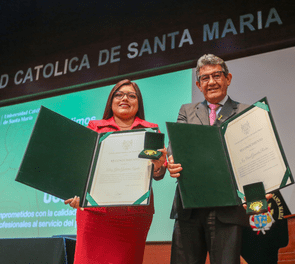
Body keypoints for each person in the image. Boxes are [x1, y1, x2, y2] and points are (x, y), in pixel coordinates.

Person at [167, 54, 259, 264]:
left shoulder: (246, 112)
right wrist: (170, 161)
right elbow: (175, 147)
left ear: (228, 78)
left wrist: (259, 196)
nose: (211, 82)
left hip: (228, 209)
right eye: (205, 78)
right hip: (188, 208)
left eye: (216, 75)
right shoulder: (187, 111)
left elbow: (255, 157)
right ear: (199, 85)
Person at [64, 79, 167, 264]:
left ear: (138, 102)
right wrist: (76, 192)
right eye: (118, 95)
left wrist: (159, 166)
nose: (124, 98)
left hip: (134, 216)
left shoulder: (150, 129)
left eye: (131, 95)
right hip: (95, 214)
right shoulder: (95, 127)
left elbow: (157, 174)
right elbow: (82, 167)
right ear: (111, 101)